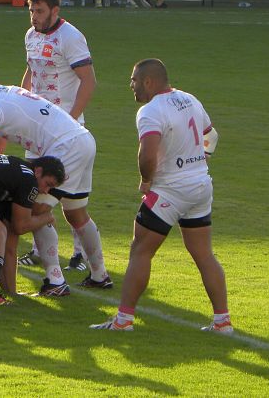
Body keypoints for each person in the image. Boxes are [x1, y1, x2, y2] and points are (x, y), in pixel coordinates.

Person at [91, 59, 231, 333]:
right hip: (200, 186)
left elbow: (147, 152)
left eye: (133, 80)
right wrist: (199, 161)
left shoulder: (150, 110)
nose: (130, 85)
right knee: (204, 254)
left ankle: (123, 321)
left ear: (148, 82)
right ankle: (222, 321)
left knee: (140, 250)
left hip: (170, 191)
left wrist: (146, 180)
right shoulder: (189, 99)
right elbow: (211, 136)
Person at [0, 72, 111, 297]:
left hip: (65, 148)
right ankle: (100, 275)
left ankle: (55, 281)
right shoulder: (7, 91)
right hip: (82, 139)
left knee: (33, 211)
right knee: (77, 213)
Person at [18, 0, 97, 272]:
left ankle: (80, 255)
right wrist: (20, 101)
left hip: (63, 131)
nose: (34, 17)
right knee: (33, 194)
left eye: (39, 11)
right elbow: (31, 71)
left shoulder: (71, 37)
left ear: (55, 10)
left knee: (70, 200)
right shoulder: (30, 35)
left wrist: (71, 119)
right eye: (31, 11)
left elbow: (89, 81)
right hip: (35, 129)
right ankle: (41, 251)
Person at [0, 153, 66, 294]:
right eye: (47, 184)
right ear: (38, 171)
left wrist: (13, 294)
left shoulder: (16, 174)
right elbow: (21, 226)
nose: (45, 191)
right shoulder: (28, 181)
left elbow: (11, 246)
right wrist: (47, 217)